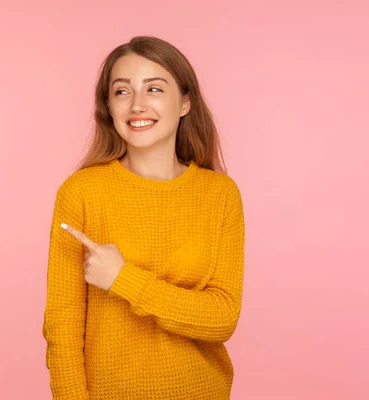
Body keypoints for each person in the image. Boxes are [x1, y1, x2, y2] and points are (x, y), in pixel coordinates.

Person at [42, 35, 245, 400]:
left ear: (184, 102)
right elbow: (62, 331)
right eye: (122, 92)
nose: (137, 105)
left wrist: (123, 279)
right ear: (109, 106)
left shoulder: (220, 195)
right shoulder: (81, 192)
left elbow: (222, 319)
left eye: (154, 88)